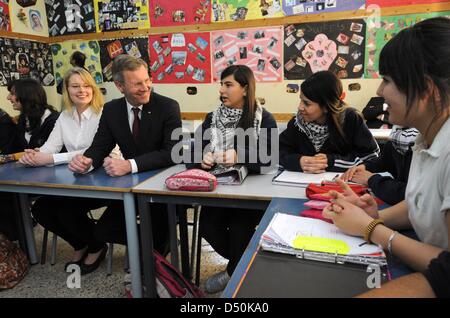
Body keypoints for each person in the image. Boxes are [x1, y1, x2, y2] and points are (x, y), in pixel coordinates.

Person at [323, 17, 450, 296]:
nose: (380, 92)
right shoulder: (425, 137)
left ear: (428, 90)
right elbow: (422, 201)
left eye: (387, 80)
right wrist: (374, 214)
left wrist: (372, 228)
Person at [68, 55, 182, 255]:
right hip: (129, 189)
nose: (146, 87)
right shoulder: (112, 110)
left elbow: (172, 153)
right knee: (104, 231)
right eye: (137, 83)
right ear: (120, 86)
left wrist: (130, 165)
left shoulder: (168, 106)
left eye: (147, 80)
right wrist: (86, 160)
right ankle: (152, 248)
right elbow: (100, 146)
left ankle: (155, 251)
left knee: (157, 232)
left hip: (161, 190)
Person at [192, 65, 277, 294]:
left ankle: (233, 272)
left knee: (241, 229)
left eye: (228, 85)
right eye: (221, 84)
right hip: (219, 189)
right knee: (208, 228)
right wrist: (203, 157)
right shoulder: (213, 117)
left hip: (250, 195)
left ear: (246, 89)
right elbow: (193, 150)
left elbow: (270, 159)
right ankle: (244, 264)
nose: (222, 90)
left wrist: (240, 156)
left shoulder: (264, 118)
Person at [18, 68, 109, 275]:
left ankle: (96, 246)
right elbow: (50, 147)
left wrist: (49, 158)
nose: (82, 90)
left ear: (93, 89)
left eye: (86, 85)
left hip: (103, 181)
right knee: (41, 209)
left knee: (67, 211)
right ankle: (80, 244)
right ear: (66, 90)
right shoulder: (64, 116)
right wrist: (34, 155)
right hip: (76, 180)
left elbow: (93, 151)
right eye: (75, 86)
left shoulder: (104, 113)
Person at [279, 70, 379, 173]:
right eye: (301, 100)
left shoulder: (350, 119)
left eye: (307, 103)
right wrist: (298, 161)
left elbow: (371, 157)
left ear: (327, 106)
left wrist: (331, 162)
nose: (300, 107)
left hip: (341, 185)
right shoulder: (297, 123)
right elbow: (276, 152)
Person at [341, 126, 418, 205]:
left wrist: (371, 179)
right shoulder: (398, 136)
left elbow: (410, 196)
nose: (386, 113)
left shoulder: (423, 147)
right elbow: (385, 160)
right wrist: (366, 166)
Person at [7, 78, 59, 151]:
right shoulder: (23, 119)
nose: (8, 98)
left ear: (27, 95)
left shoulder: (54, 121)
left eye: (12, 94)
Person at [0, 108, 21, 241]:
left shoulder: (4, 124)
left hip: (13, 173)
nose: (9, 98)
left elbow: (6, 154)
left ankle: (10, 240)